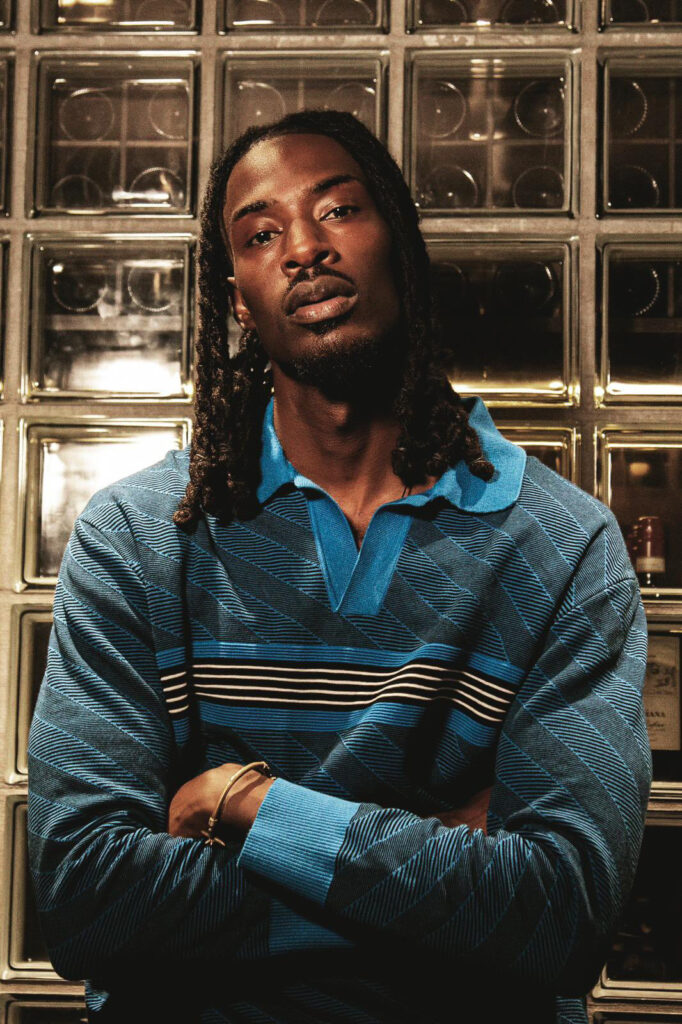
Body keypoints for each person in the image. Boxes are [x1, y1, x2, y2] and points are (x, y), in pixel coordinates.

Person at [28, 110, 652, 1024]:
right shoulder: (137, 537)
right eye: (260, 234)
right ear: (239, 301)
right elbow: (85, 898)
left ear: (400, 247)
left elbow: (563, 914)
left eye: (339, 211)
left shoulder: (563, 547)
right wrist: (437, 878)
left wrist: (246, 807)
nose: (303, 249)